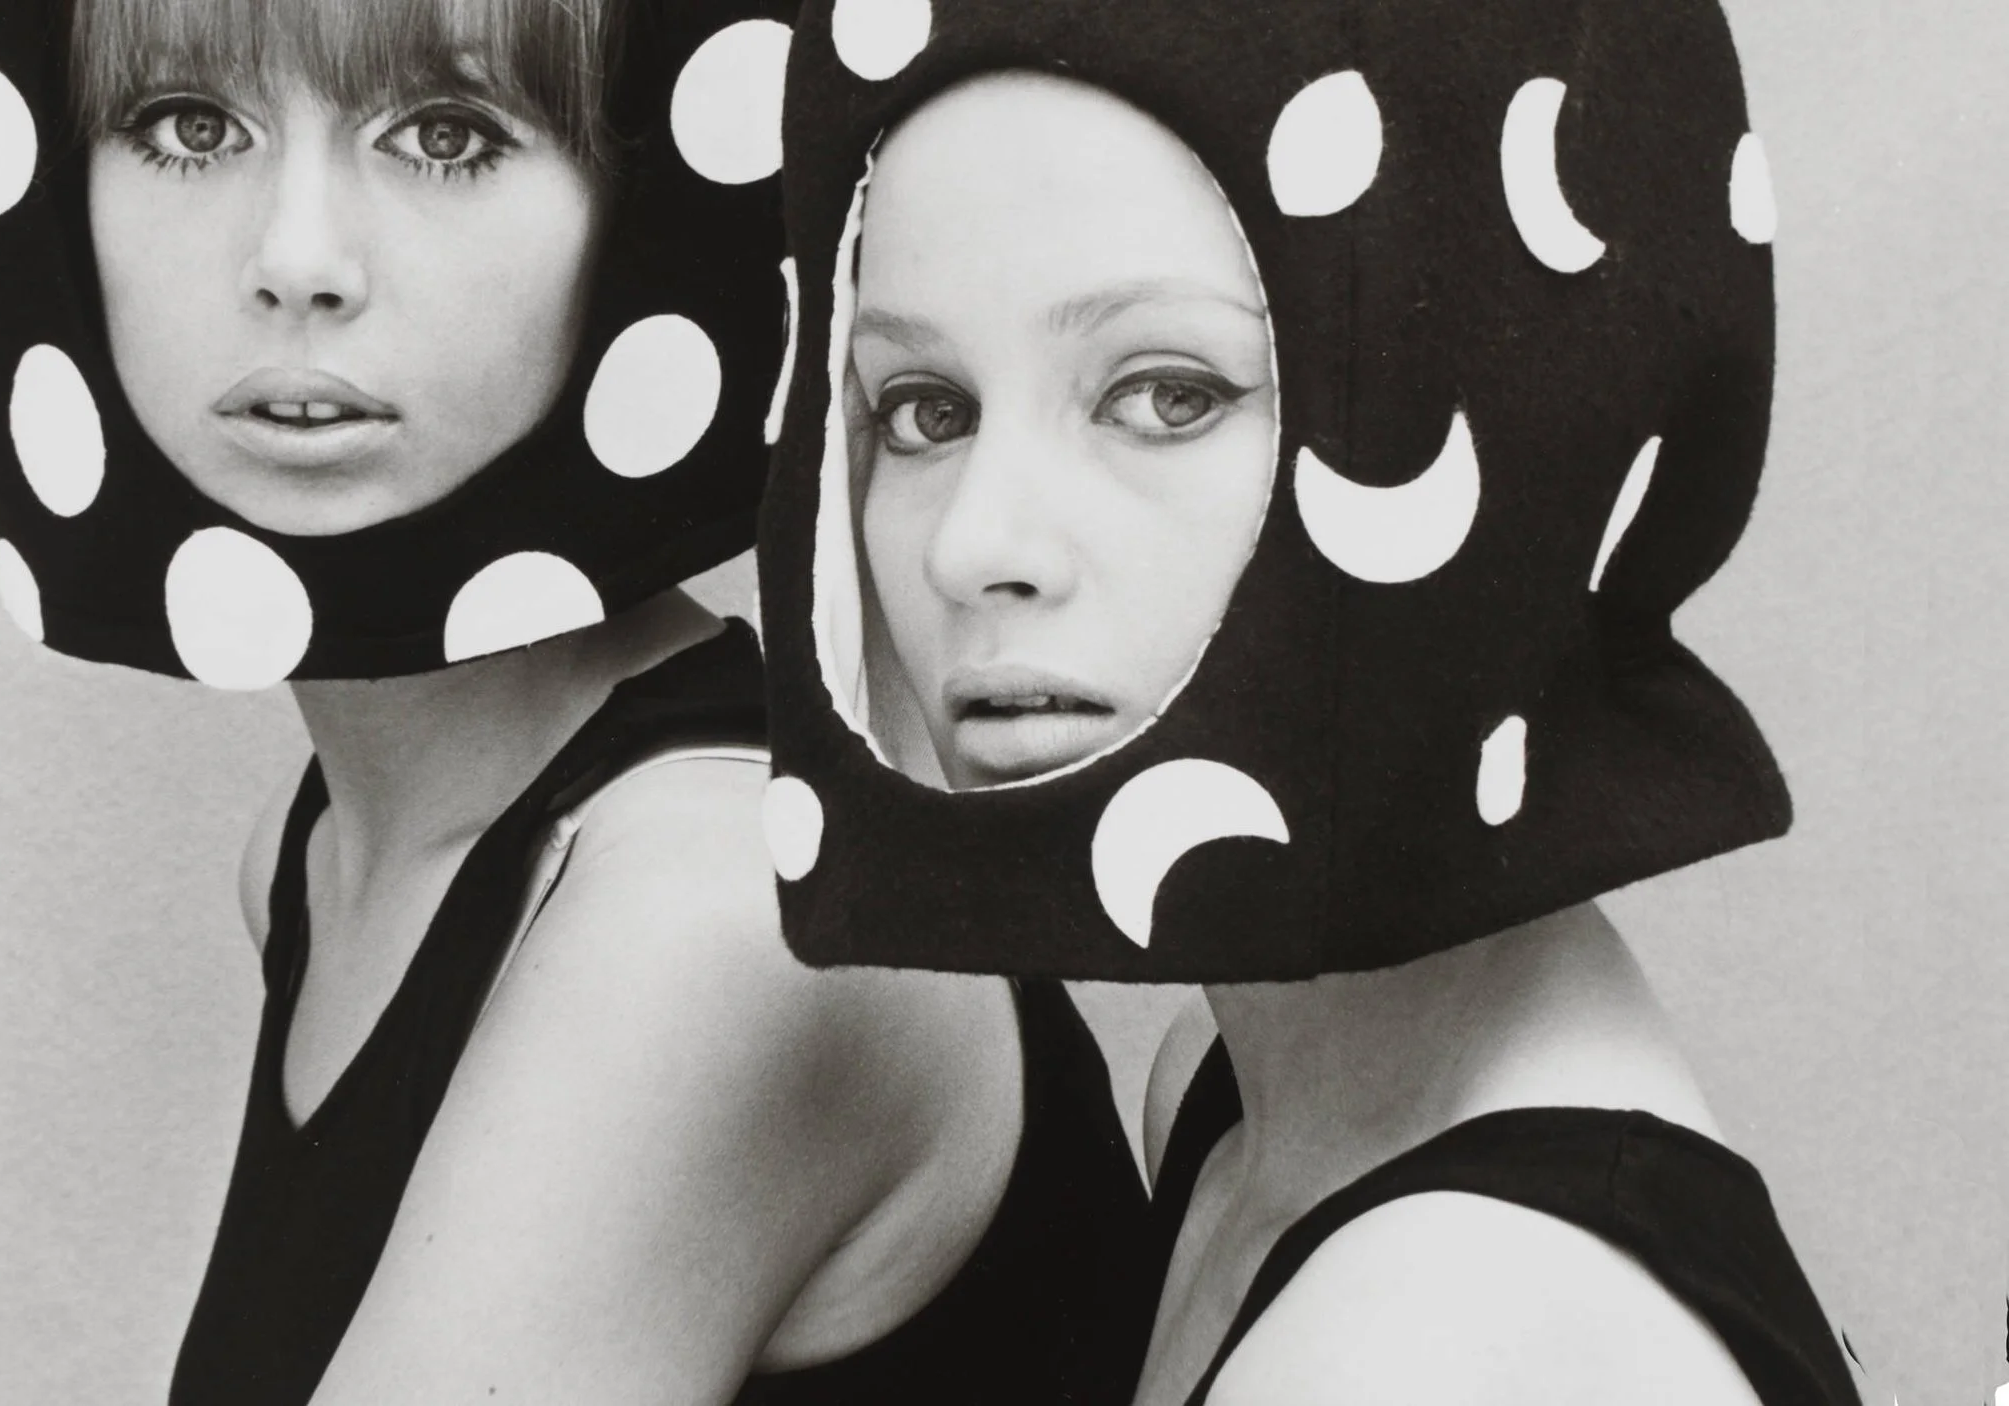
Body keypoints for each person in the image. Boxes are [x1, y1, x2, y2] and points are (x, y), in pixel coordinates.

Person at [0, 0, 1154, 1401]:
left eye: (444, 135)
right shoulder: (320, 853)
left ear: (633, 205)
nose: (296, 262)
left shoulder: (718, 908)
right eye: (189, 126)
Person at [754, 1, 1861, 1402]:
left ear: (1514, 410)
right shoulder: (1227, 1083)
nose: (972, 546)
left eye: (1166, 395)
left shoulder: (1438, 1338)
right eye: (925, 409)